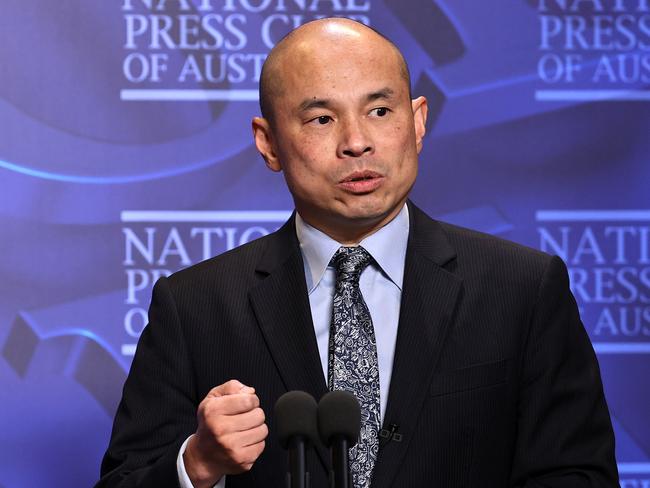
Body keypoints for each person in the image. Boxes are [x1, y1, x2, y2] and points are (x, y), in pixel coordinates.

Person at [97, 17, 619, 488]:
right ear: (268, 142)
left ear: (416, 122)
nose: (357, 142)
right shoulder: (195, 306)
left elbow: (577, 475)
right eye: (322, 119)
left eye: (379, 110)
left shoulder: (522, 289)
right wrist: (197, 464)